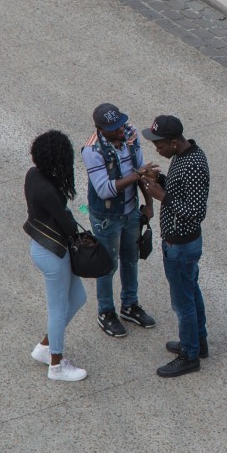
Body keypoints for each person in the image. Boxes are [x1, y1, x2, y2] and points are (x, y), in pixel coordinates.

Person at [140, 115, 210, 378]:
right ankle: (198, 343)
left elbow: (196, 211)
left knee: (183, 304)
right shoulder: (183, 155)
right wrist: (161, 180)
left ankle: (189, 356)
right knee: (191, 293)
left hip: (181, 245)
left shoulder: (193, 165)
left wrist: (161, 196)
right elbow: (183, 192)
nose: (156, 149)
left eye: (159, 144)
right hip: (181, 244)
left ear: (172, 142)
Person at [82, 103, 157, 338]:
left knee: (131, 259)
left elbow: (141, 172)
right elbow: (104, 190)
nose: (121, 130)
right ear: (100, 129)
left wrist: (149, 204)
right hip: (107, 217)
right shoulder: (92, 151)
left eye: (121, 124)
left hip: (131, 212)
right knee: (107, 265)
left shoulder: (131, 134)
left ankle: (130, 305)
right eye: (114, 128)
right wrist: (135, 176)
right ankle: (106, 311)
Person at [23, 130, 88, 381]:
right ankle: (57, 365)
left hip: (47, 248)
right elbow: (69, 226)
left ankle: (45, 346)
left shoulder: (33, 175)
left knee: (78, 298)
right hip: (53, 253)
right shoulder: (48, 189)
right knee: (58, 309)